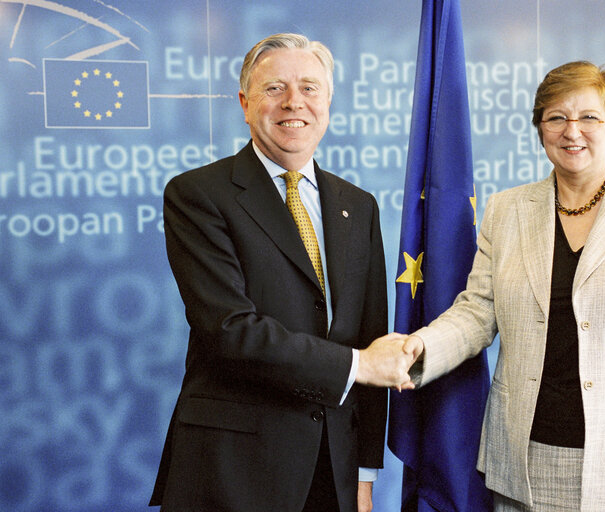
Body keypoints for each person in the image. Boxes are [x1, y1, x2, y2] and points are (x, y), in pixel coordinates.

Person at [391, 61, 605, 511]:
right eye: (556, 117)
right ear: (540, 128)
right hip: (523, 463)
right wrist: (419, 348)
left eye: (589, 117)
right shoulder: (506, 210)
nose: (572, 131)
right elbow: (477, 312)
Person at [149, 33, 411, 512]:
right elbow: (230, 331)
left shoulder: (359, 205)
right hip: (233, 470)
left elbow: (371, 336)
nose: (295, 102)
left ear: (328, 101)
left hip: (333, 471)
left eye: (310, 88)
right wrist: (358, 365)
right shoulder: (198, 195)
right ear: (246, 104)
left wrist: (364, 470)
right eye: (275, 89)